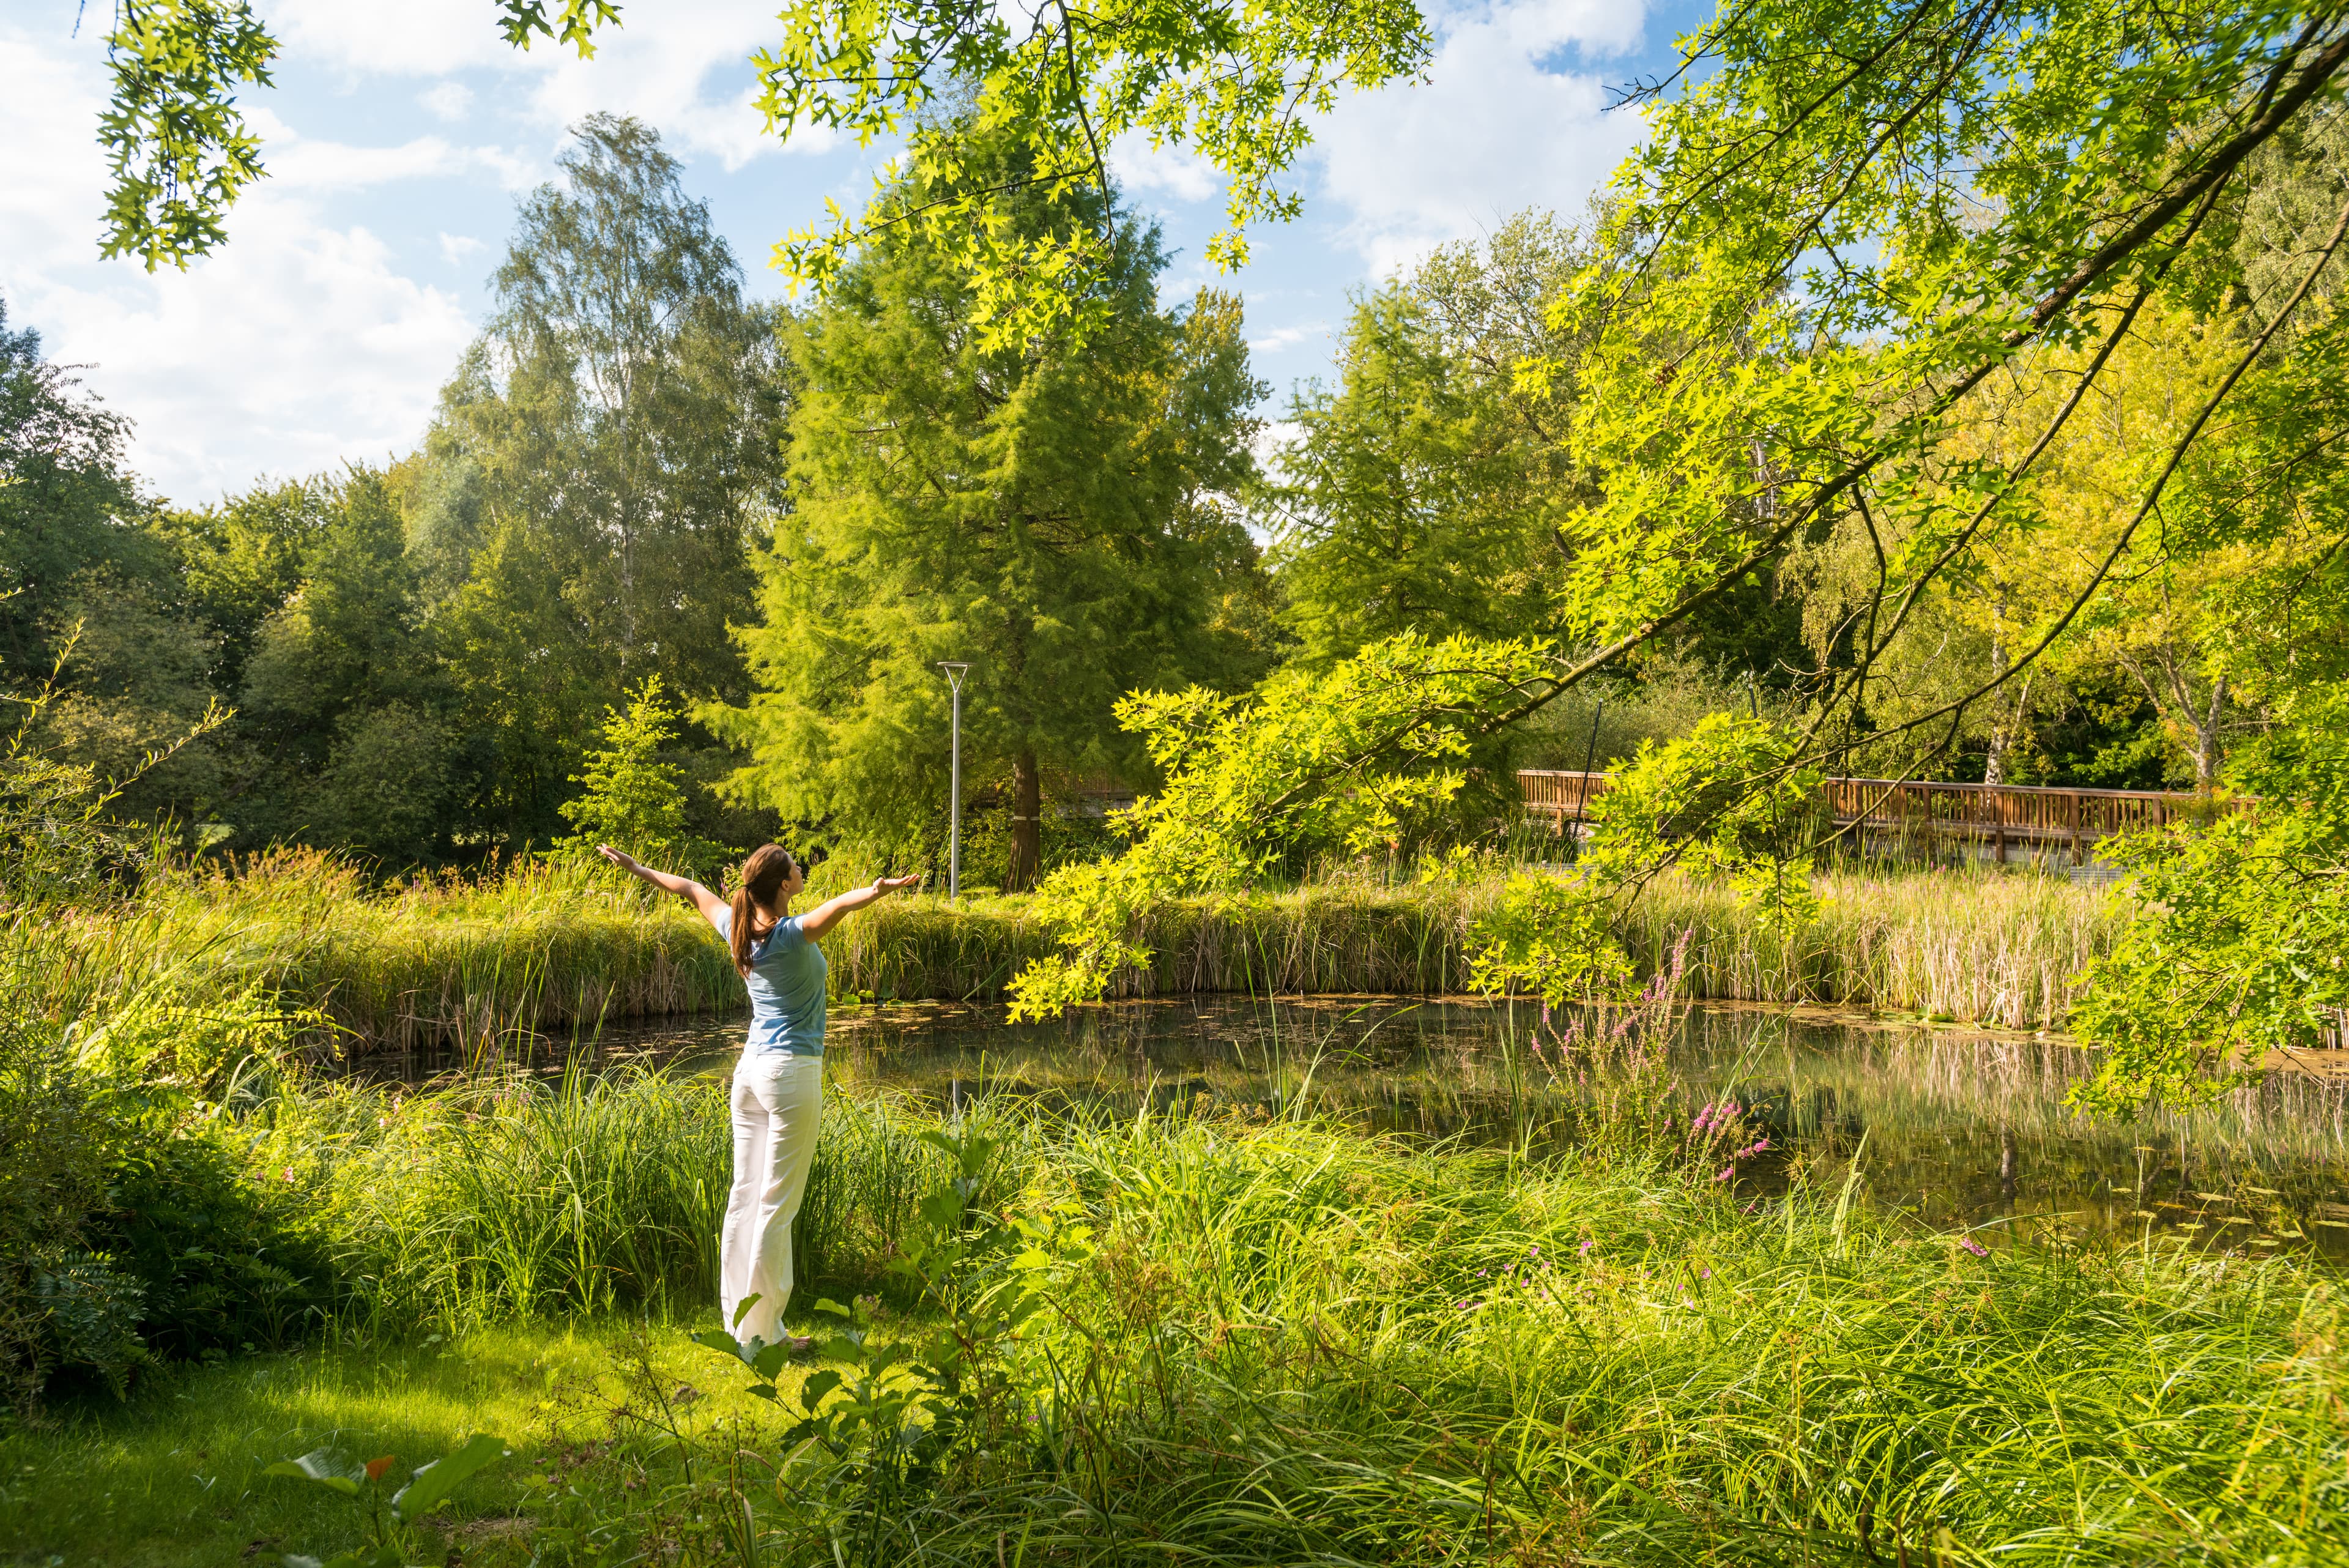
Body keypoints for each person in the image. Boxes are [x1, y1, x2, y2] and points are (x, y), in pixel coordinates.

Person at [598, 841, 919, 1347]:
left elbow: (688, 888)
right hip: (790, 1075)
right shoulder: (790, 935)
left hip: (749, 1075)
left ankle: (743, 1324)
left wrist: (636, 868)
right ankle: (763, 1335)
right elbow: (838, 908)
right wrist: (876, 892)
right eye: (793, 863)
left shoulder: (739, 926)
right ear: (785, 884)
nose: (799, 865)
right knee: (775, 1207)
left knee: (745, 1199)